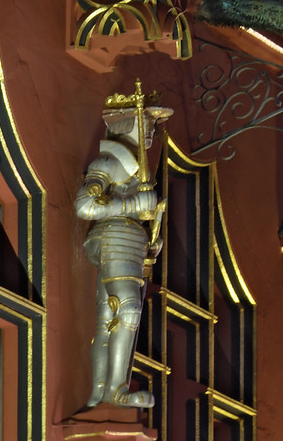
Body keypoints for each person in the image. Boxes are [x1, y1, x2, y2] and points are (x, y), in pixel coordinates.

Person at [76, 83, 171, 410]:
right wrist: (132, 206)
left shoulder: (134, 168)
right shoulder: (109, 162)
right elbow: (85, 206)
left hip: (130, 241)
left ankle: (100, 392)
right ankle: (116, 391)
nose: (150, 131)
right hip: (113, 236)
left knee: (108, 318)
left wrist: (151, 241)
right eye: (146, 123)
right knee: (127, 308)